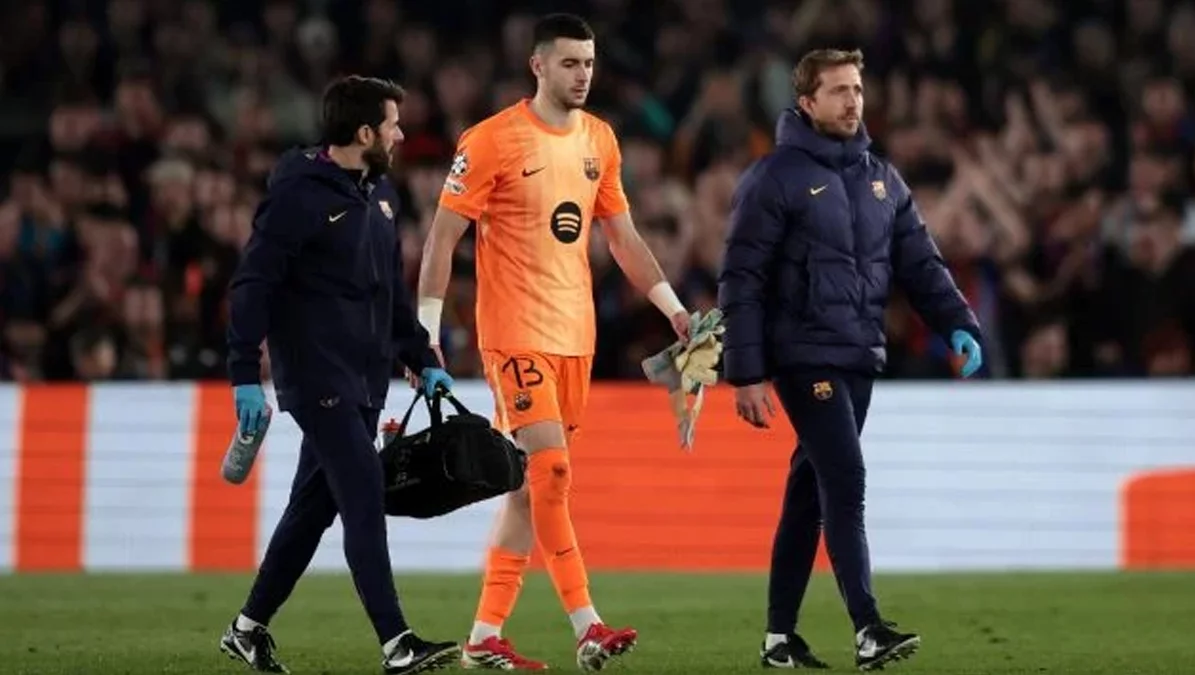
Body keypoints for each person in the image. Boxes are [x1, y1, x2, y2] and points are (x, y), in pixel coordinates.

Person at [417, 13, 691, 672]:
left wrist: (675, 310)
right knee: (553, 472)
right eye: (570, 63)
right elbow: (442, 237)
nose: (582, 75)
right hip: (514, 333)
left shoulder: (600, 139)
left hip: (575, 337)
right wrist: (425, 332)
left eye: (589, 63)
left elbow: (622, 237)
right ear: (537, 65)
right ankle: (587, 626)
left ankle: (483, 636)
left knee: (525, 488)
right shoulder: (491, 140)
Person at [718, 49, 985, 671]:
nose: (852, 101)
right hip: (802, 356)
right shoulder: (773, 178)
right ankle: (868, 627)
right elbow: (741, 277)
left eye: (857, 89)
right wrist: (746, 372)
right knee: (846, 480)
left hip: (859, 354)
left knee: (809, 494)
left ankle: (779, 639)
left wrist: (958, 323)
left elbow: (921, 263)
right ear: (806, 102)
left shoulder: (882, 180)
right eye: (838, 90)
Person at [221, 75, 459, 675]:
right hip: (317, 377)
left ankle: (247, 629)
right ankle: (397, 643)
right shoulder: (298, 195)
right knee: (362, 491)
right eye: (393, 125)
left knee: (312, 508)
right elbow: (253, 283)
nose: (401, 135)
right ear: (364, 133)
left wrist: (424, 360)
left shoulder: (381, 195)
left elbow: (390, 295)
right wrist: (244, 371)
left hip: (366, 381)